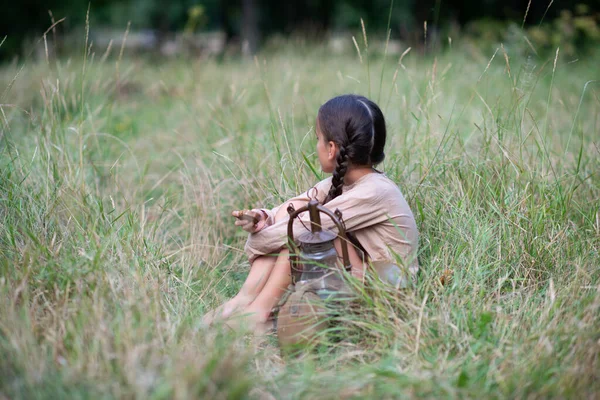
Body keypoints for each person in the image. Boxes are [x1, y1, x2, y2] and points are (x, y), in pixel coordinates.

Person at [204, 94, 419, 334]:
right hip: (363, 278)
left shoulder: (376, 191)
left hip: (387, 298)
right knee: (302, 223)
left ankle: (259, 313)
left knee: (310, 230)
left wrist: (260, 239)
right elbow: (291, 210)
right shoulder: (341, 183)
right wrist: (263, 218)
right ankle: (243, 301)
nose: (315, 145)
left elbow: (299, 228)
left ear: (331, 149)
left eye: (318, 139)